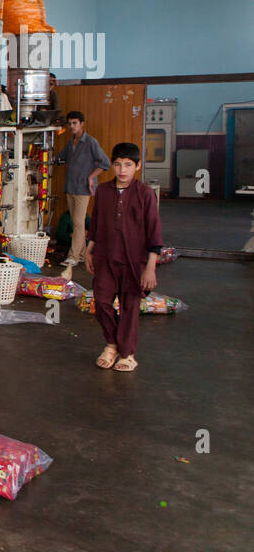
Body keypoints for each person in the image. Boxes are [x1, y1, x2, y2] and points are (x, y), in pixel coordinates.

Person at [84, 143, 163, 373]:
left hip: (134, 261)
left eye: (128, 164)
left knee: (130, 307)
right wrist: (89, 251)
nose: (122, 170)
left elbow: (154, 233)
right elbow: (96, 224)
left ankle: (127, 354)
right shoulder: (104, 192)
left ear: (137, 166)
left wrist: (150, 267)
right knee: (101, 302)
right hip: (106, 258)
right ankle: (112, 344)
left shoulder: (146, 194)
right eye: (118, 164)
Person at [53, 110, 111, 267]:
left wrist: (91, 177)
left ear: (82, 124)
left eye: (75, 123)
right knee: (76, 221)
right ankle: (83, 254)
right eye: (70, 123)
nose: (72, 126)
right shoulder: (71, 142)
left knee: (78, 223)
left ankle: (73, 257)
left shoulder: (91, 142)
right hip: (70, 186)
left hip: (83, 188)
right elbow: (60, 157)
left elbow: (105, 163)